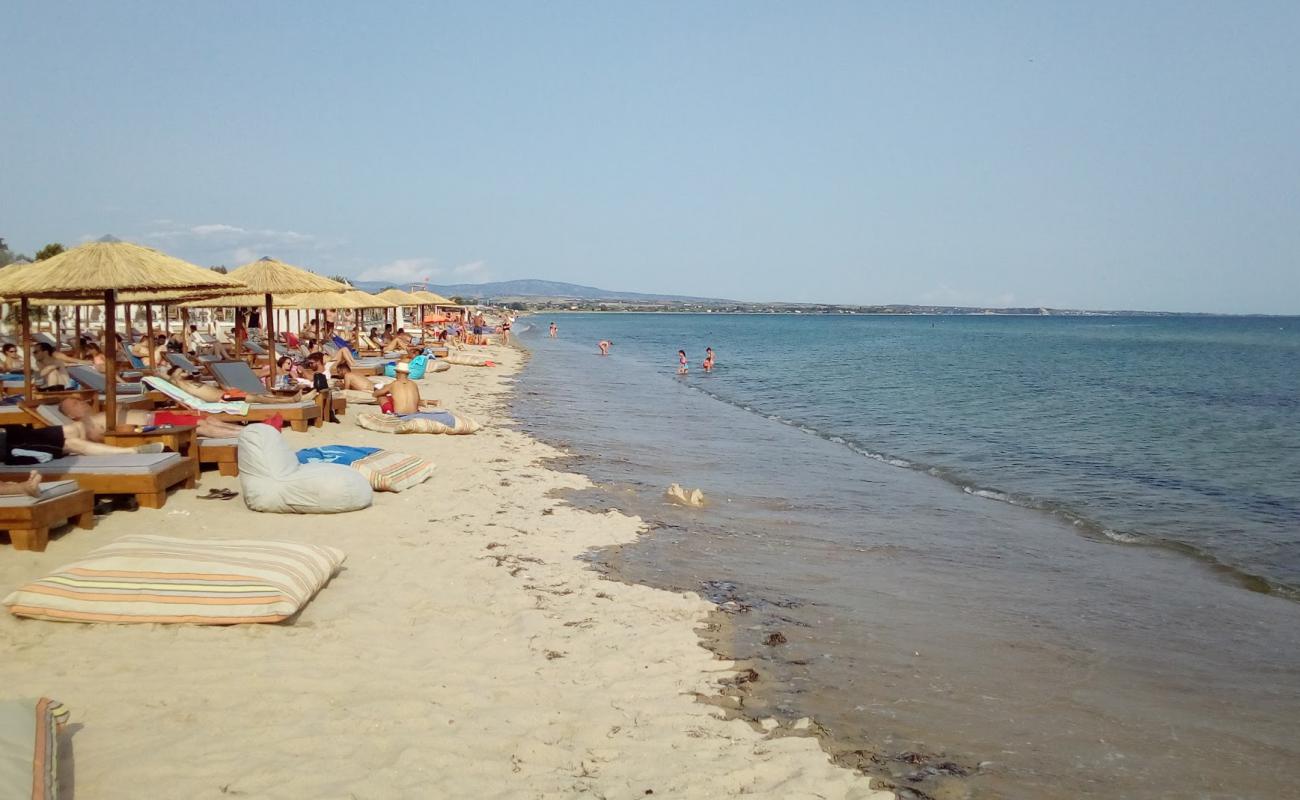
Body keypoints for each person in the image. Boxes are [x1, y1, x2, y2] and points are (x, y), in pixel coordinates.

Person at [57, 394, 246, 442]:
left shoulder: (99, 414)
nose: (80, 402)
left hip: (156, 417)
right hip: (150, 426)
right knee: (201, 425)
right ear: (71, 416)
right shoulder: (84, 424)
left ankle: (250, 431)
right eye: (74, 404)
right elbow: (101, 438)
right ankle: (247, 436)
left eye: (78, 400)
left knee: (207, 419)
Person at [162, 365, 311, 405]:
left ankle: (296, 399)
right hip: (225, 399)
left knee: (262, 395)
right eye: (182, 371)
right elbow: (166, 378)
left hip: (227, 394)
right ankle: (292, 400)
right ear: (175, 378)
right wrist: (166, 374)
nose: (186, 371)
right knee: (259, 398)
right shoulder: (182, 385)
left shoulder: (192, 383)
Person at [372, 362, 439, 415]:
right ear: (407, 374)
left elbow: (375, 394)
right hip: (414, 414)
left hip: (399, 415)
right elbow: (417, 401)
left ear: (397, 373)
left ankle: (388, 411)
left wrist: (381, 390)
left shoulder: (393, 384)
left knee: (381, 396)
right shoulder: (414, 384)